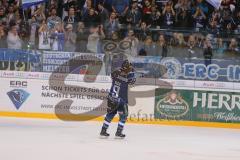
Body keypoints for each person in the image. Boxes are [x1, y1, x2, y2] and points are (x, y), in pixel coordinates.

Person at [100, 59, 136, 138]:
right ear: (126, 68)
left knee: (110, 114)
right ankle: (118, 132)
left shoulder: (115, 73)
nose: (130, 69)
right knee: (124, 115)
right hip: (122, 100)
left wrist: (123, 70)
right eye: (129, 68)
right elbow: (133, 81)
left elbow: (112, 75)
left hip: (111, 97)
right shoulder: (128, 76)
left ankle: (103, 130)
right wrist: (132, 72)